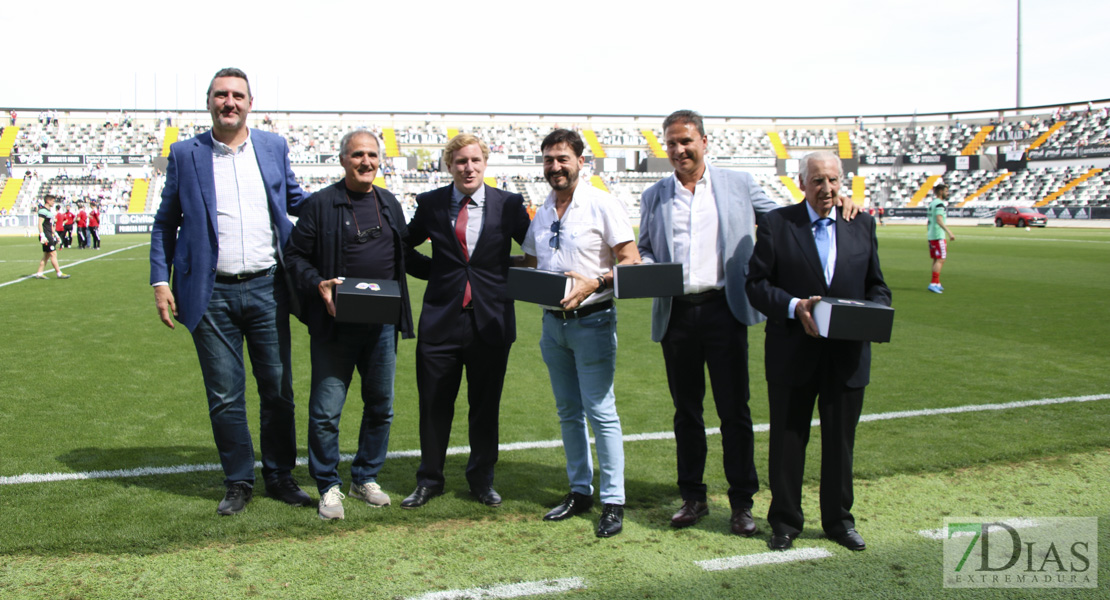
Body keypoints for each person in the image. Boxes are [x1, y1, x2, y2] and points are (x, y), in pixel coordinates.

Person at [149, 67, 310, 516]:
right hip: (210, 293)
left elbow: (296, 201)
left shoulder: (274, 147)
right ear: (209, 102)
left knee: (277, 389)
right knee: (224, 395)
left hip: (268, 288)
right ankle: (238, 480)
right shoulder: (185, 154)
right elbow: (165, 223)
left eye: (238, 95)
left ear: (250, 103)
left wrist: (351, 197)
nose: (229, 102)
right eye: (221, 95)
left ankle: (279, 475)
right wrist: (160, 281)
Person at [639, 110, 799, 537]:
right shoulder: (654, 194)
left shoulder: (738, 183)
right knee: (686, 412)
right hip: (676, 315)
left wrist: (835, 203)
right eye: (671, 143)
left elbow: (783, 223)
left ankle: (742, 503)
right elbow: (645, 250)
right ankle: (692, 496)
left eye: (686, 141)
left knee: (734, 412)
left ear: (704, 141)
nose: (679, 150)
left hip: (724, 311)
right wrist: (651, 268)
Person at [745, 151, 891, 552]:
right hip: (793, 351)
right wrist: (795, 307)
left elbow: (876, 284)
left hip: (847, 355)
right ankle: (785, 522)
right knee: (788, 441)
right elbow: (756, 285)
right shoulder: (777, 224)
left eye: (832, 181)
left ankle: (839, 521)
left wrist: (874, 311)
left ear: (841, 181)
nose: (826, 189)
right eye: (817, 182)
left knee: (840, 442)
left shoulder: (861, 222)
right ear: (801, 182)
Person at [284, 130, 424, 520]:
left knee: (381, 405)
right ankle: (328, 484)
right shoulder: (320, 205)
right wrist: (319, 285)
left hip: (381, 325)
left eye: (372, 155)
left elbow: (406, 254)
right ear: (343, 159)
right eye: (358, 155)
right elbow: (294, 257)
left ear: (380, 160)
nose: (366, 162)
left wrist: (454, 271)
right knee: (326, 411)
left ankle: (365, 476)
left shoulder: (389, 202)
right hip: (336, 326)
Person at [399, 133, 531, 510]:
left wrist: (506, 274)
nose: (468, 167)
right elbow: (404, 246)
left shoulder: (509, 205)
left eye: (474, 160)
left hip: (490, 322)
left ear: (485, 162)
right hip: (441, 320)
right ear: (449, 165)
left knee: (485, 406)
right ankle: (429, 480)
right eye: (460, 162)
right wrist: (436, 271)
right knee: (434, 403)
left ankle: (481, 480)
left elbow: (535, 250)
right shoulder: (431, 203)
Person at [521, 129, 640, 538]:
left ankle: (613, 500)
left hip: (593, 322)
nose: (555, 166)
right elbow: (533, 261)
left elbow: (632, 261)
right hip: (552, 326)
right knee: (568, 413)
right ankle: (579, 490)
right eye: (549, 160)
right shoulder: (542, 210)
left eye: (562, 159)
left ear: (580, 162)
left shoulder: (602, 203)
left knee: (601, 412)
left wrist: (598, 281)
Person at [926, 180, 955, 294]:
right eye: (946, 191)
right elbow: (939, 219)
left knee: (936, 259)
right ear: (941, 191)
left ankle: (937, 283)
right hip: (938, 235)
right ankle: (933, 283)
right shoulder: (939, 204)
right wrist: (949, 232)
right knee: (941, 259)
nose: (948, 193)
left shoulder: (932, 203)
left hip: (932, 235)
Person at [33, 195, 69, 279]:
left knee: (46, 255)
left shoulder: (49, 211)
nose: (54, 203)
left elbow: (50, 225)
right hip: (46, 236)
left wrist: (56, 235)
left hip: (49, 235)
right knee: (53, 253)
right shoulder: (43, 211)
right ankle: (59, 273)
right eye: (52, 201)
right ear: (48, 201)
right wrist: (42, 235)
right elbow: (40, 223)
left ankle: (39, 273)